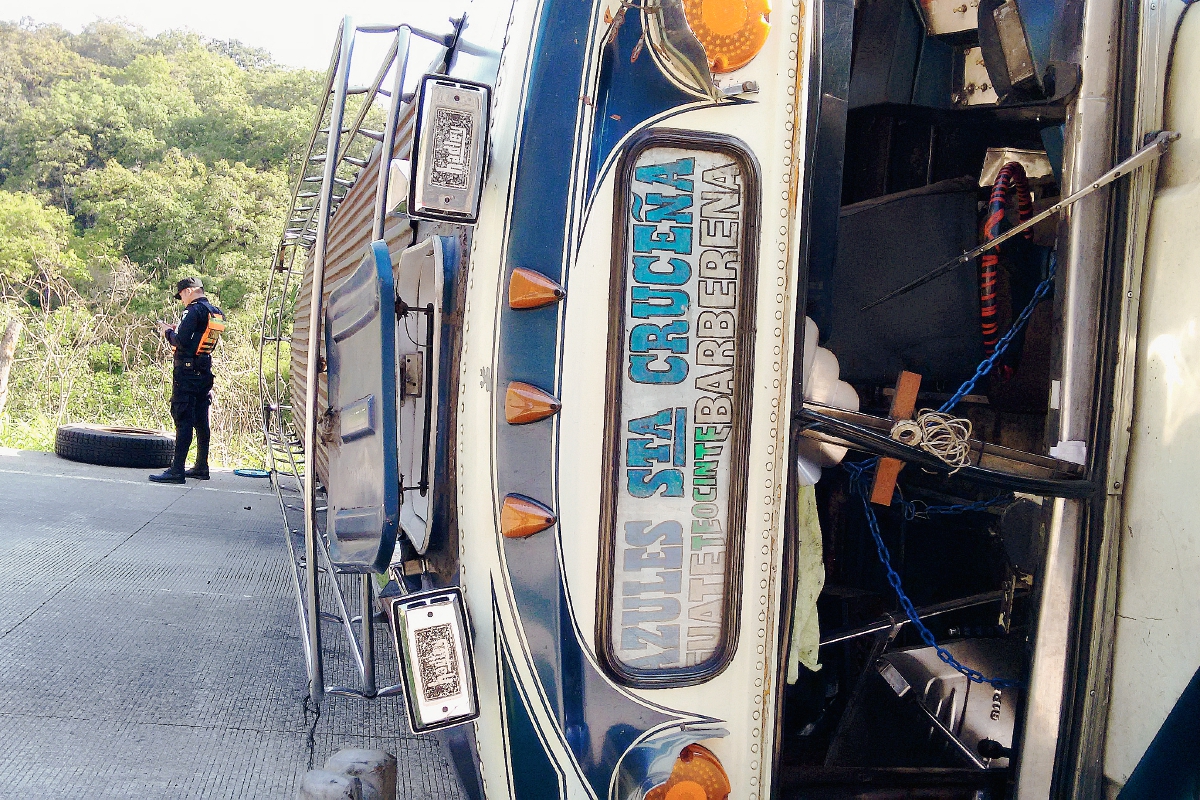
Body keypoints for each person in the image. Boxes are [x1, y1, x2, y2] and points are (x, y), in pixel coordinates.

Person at [149, 277, 225, 484]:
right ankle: (201, 466)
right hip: (204, 371)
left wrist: (168, 331)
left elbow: (180, 341)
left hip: (187, 373)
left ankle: (177, 470)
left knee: (183, 417)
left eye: (182, 294)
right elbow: (200, 338)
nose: (181, 298)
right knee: (201, 419)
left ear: (190, 291)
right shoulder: (215, 311)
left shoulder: (192, 311)